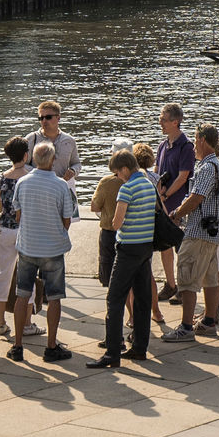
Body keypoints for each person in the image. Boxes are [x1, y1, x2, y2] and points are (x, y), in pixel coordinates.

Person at [86, 149, 156, 368]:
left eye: (117, 173)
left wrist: (119, 219)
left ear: (125, 169)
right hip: (146, 247)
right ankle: (139, 348)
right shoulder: (148, 184)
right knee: (143, 300)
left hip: (128, 249)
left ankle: (112, 353)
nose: (117, 177)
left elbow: (116, 223)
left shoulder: (127, 189)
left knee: (114, 299)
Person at [7, 142, 74, 363]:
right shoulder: (61, 186)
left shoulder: (22, 183)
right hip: (53, 248)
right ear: (53, 160)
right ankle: (51, 346)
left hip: (27, 246)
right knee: (54, 297)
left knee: (22, 294)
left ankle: (17, 345)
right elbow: (66, 221)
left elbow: (17, 215)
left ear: (34, 160)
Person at [162, 123, 219, 341]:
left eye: (196, 139)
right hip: (212, 233)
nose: (193, 145)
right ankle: (208, 321)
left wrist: (177, 212)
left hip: (199, 231)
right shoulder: (216, 165)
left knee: (187, 276)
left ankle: (186, 327)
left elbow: (196, 197)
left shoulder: (207, 167)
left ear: (202, 140)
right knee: (209, 278)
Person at [0, 137, 43, 339]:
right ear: (26, 155)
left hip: (5, 229)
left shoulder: (2, 177)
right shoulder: (32, 176)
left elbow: (0, 206)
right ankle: (27, 323)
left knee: (2, 275)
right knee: (27, 278)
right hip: (26, 231)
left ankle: (1, 322)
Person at [155, 103, 195, 306]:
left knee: (182, 248)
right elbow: (157, 170)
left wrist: (165, 194)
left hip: (180, 206)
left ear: (175, 122)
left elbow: (183, 176)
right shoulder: (163, 145)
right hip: (164, 206)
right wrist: (158, 189)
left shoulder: (186, 146)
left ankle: (183, 286)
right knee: (164, 246)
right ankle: (170, 284)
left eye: (163, 119)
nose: (160, 122)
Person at [90, 137, 134, 288]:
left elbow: (94, 207)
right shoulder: (143, 180)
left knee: (110, 278)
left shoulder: (106, 182)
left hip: (109, 231)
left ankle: (113, 309)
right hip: (134, 235)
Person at [132, 143, 166, 324]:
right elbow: (159, 203)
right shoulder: (156, 177)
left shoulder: (133, 178)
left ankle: (132, 316)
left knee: (132, 273)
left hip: (136, 228)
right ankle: (156, 311)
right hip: (151, 227)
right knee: (148, 272)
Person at [24, 101, 82, 190]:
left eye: (48, 117)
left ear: (58, 118)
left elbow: (76, 163)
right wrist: (40, 174)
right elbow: (22, 165)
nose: (44, 121)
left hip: (62, 188)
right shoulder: (31, 139)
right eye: (41, 118)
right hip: (38, 188)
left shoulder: (69, 141)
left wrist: (73, 171)